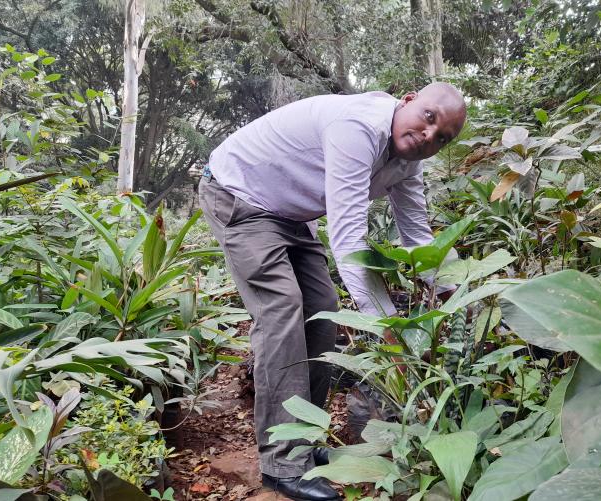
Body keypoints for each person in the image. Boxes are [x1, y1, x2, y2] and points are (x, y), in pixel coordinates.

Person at [198, 82, 466, 500]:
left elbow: (416, 234)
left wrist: (451, 294)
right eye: (429, 119)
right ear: (409, 99)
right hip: (240, 194)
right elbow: (348, 237)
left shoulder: (409, 162)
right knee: (282, 311)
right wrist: (384, 324)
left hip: (290, 212)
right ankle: (282, 463)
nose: (429, 136)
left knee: (323, 311)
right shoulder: (357, 127)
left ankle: (305, 439)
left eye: (443, 139)